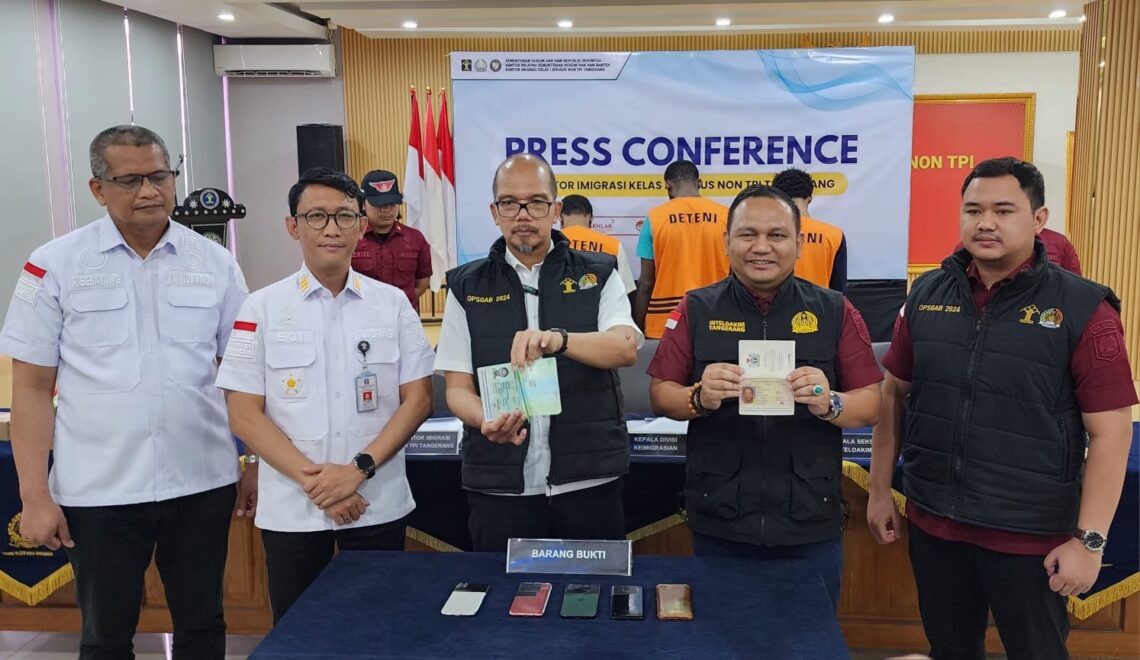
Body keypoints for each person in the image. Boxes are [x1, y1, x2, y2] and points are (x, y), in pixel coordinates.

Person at [867, 157, 1136, 659]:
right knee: (950, 648)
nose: (985, 222)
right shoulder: (927, 294)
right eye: (973, 210)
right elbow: (892, 394)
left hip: (1029, 536)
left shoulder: (1083, 308)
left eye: (1003, 210)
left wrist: (1089, 542)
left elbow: (1112, 431)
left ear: (1039, 219)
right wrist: (880, 490)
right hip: (935, 524)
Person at [0, 125, 252, 659]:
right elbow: (32, 389)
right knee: (106, 636)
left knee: (204, 626)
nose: (149, 191)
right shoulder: (54, 264)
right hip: (100, 490)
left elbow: (243, 376)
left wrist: (252, 461)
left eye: (160, 176)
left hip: (201, 481)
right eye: (130, 180)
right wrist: (34, 495)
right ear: (98, 189)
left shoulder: (215, 263)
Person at [647, 184, 882, 609]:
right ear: (726, 241)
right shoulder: (696, 307)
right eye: (747, 234)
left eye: (776, 235)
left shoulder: (834, 310)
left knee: (808, 637)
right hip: (720, 519)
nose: (761, 247)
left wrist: (830, 402)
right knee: (722, 633)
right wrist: (698, 398)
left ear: (799, 244)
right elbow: (661, 394)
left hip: (809, 521)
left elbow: (871, 401)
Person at [217, 168, 435, 622]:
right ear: (293, 226)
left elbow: (418, 400)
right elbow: (243, 414)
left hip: (376, 502)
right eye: (316, 216)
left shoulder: (393, 304)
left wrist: (357, 471)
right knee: (298, 635)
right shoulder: (260, 308)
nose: (331, 228)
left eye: (344, 216)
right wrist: (323, 486)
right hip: (294, 510)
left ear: (361, 224)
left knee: (381, 631)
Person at [434, 153, 643, 552]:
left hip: (588, 479)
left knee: (593, 588)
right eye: (509, 203)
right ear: (494, 212)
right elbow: (457, 387)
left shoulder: (598, 272)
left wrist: (558, 340)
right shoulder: (465, 286)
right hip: (500, 485)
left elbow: (625, 347)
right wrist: (486, 420)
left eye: (536, 203)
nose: (523, 215)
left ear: (556, 210)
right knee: (500, 590)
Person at [634, 160, 730, 338]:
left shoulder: (655, 218)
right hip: (717, 316)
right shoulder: (726, 216)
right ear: (699, 183)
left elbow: (646, 283)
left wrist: (637, 330)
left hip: (665, 320)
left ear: (668, 186)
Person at [351, 169, 432, 311]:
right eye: (378, 204)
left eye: (391, 204)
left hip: (404, 316)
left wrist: (398, 305)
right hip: (360, 315)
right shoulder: (350, 238)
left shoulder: (415, 239)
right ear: (363, 203)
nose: (386, 210)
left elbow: (421, 284)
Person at [770, 167, 847, 292]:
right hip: (820, 302)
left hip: (777, 303)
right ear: (810, 198)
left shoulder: (766, 233)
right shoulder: (834, 235)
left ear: (777, 198)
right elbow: (839, 289)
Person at [558, 194, 636, 294]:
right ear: (590, 217)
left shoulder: (550, 242)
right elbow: (626, 289)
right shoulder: (613, 245)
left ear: (560, 217)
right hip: (603, 302)